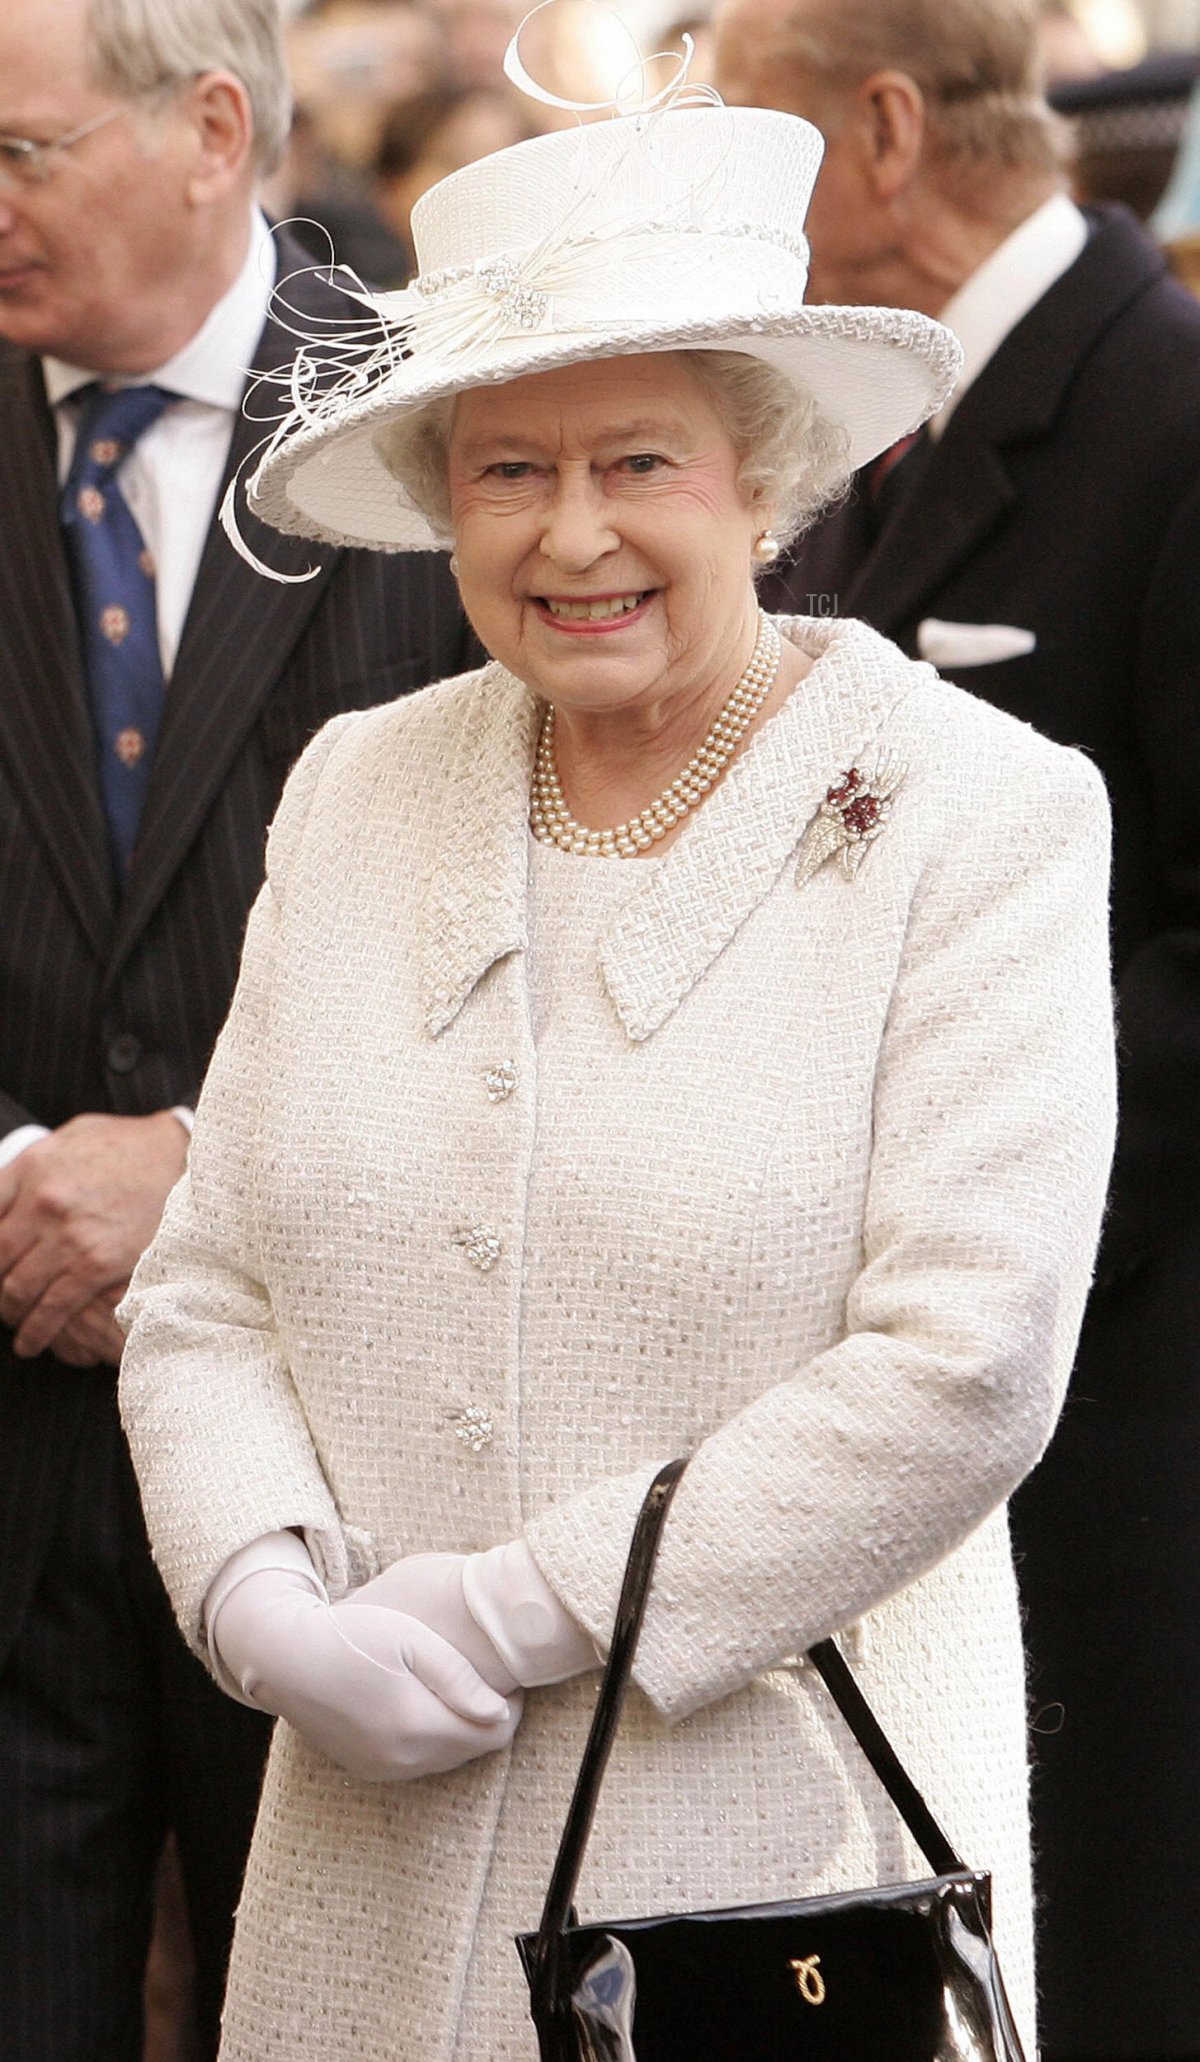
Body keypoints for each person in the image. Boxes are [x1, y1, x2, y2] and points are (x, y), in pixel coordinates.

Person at [118, 76, 1115, 2062]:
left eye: (638, 458)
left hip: (770, 1888)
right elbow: (204, 1279)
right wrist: (263, 1603)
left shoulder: (973, 815)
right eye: (505, 471)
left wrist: (506, 1615)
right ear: (440, 503)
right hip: (359, 1891)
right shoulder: (354, 786)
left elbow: (969, 1353)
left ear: (763, 475)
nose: (572, 532)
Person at [711, 3, 1200, 2057]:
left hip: (1104, 1398)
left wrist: (952, 1202)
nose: (714, 208)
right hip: (863, 1418)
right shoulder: (855, 429)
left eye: (748, 144)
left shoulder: (1165, 412)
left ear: (887, 130)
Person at [0, 0, 474, 2056]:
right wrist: (17, 1174)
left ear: (211, 128)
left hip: (348, 1455)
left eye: (17, 151)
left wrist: (200, 1161)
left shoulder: (449, 417)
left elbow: (529, 915)